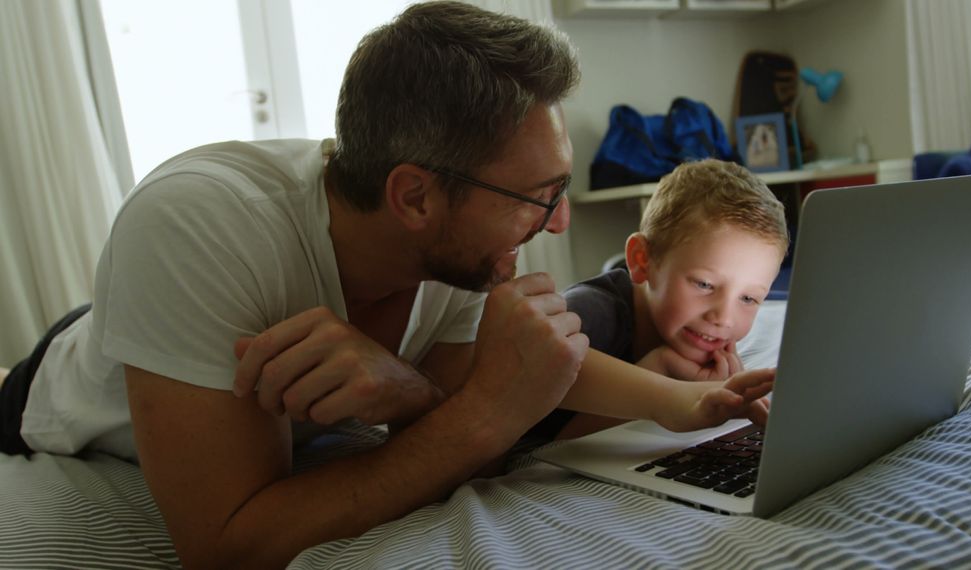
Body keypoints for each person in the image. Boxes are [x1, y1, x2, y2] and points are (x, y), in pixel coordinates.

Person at [0, 3, 772, 568]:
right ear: (414, 197)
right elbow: (227, 547)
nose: (562, 222)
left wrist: (687, 404)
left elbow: (463, 388)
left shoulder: (454, 250)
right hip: (68, 386)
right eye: (538, 195)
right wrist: (480, 419)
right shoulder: (196, 223)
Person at [533, 159, 788, 440]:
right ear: (642, 261)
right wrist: (660, 369)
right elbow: (552, 446)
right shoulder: (591, 311)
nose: (724, 318)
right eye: (704, 284)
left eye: (749, 298)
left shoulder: (699, 342)